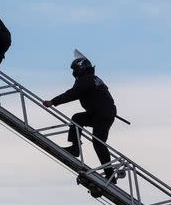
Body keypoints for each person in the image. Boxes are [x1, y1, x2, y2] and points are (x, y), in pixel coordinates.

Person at [42, 50, 118, 182]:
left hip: (101, 114)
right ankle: (75, 147)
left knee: (98, 142)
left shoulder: (86, 80)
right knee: (78, 119)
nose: (74, 74)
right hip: (102, 113)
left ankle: (110, 175)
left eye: (75, 70)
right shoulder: (93, 79)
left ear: (81, 69)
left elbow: (72, 93)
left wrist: (53, 101)